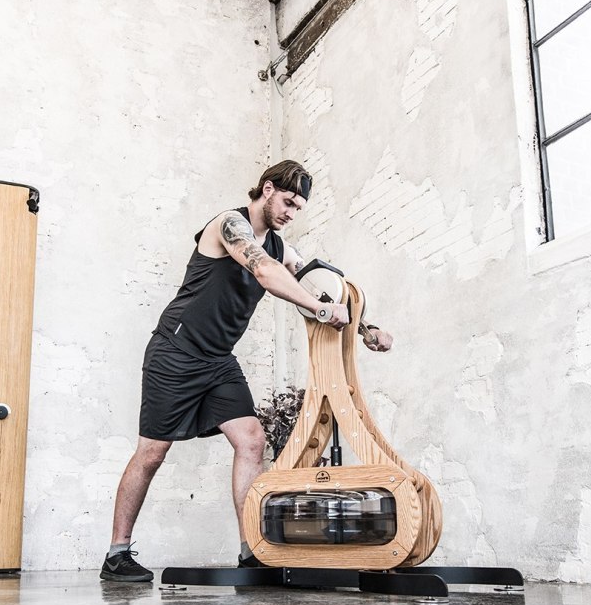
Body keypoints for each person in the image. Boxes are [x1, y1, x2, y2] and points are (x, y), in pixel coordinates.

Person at [100, 160, 394, 582]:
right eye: (288, 202)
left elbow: (316, 284)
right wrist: (320, 309)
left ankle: (251, 550)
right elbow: (265, 272)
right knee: (152, 453)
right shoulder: (228, 225)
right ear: (267, 189)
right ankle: (117, 554)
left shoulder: (280, 247)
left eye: (299, 208)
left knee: (252, 439)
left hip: (219, 360)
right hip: (176, 351)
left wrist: (365, 327)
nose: (291, 213)